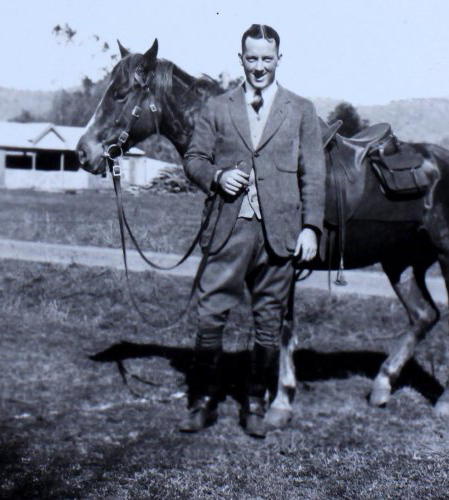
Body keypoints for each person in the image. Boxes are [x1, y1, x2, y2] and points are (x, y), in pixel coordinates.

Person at [181, 24, 325, 438]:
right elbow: (193, 158)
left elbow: (313, 173)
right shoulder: (218, 107)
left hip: (279, 235)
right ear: (240, 59)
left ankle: (255, 404)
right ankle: (204, 401)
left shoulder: (301, 110)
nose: (259, 66)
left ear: (279, 58)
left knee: (268, 321)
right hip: (229, 229)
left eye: (267, 58)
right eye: (252, 58)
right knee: (211, 315)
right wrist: (216, 176)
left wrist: (311, 228)